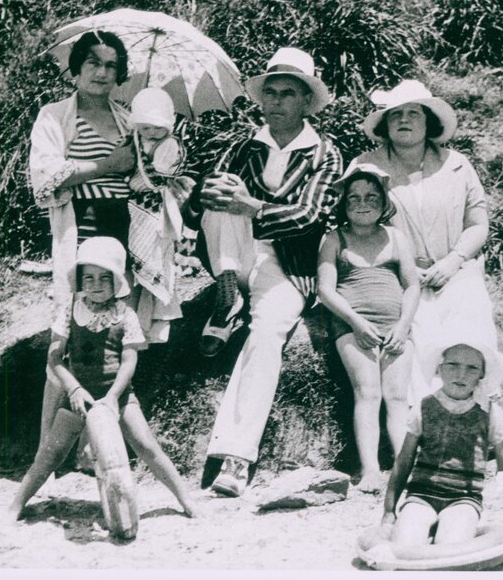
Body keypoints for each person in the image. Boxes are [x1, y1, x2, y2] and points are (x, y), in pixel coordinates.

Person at [183, 47, 343, 497]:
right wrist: (205, 192)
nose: (274, 102)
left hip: (290, 264)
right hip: (234, 252)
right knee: (222, 199)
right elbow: (197, 212)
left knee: (268, 333)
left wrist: (248, 204)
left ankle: (235, 457)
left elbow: (310, 217)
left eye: (286, 94)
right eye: (269, 92)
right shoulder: (242, 145)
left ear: (307, 101)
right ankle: (228, 292)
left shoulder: (325, 153)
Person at [9, 236, 197, 520]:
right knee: (49, 453)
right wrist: (72, 389)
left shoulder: (126, 315)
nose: (95, 285)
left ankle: (186, 499)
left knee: (147, 447)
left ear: (116, 281)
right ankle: (16, 505)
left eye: (103, 278)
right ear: (80, 280)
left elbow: (129, 361)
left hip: (117, 396)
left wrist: (112, 398)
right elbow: (55, 358)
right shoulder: (70, 311)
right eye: (88, 278)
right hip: (79, 398)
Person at [351, 80, 499, 403]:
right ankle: (422, 442)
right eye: (396, 114)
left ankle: (477, 428)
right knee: (416, 357)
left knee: (471, 337)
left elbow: (478, 225)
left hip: (457, 274)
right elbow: (353, 231)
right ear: (385, 124)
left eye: (413, 113)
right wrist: (401, 268)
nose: (404, 120)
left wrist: (453, 260)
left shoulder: (457, 165)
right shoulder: (365, 167)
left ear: (429, 120)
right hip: (397, 281)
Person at [29, 30, 137, 454]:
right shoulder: (55, 115)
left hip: (124, 226)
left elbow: (140, 176)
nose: (102, 73)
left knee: (111, 335)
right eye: (93, 63)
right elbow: (45, 176)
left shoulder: (127, 118)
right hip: (83, 224)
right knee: (68, 335)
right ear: (75, 69)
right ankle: (47, 449)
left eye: (112, 66)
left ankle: (96, 450)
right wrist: (107, 164)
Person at [317, 163, 420, 493]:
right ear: (344, 203)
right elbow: (325, 289)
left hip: (395, 326)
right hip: (353, 324)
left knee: (397, 395)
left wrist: (404, 326)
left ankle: (406, 469)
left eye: (371, 197)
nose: (363, 203)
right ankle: (371, 470)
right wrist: (356, 323)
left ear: (384, 200)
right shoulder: (335, 238)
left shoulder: (396, 237)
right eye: (355, 198)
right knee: (368, 393)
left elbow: (413, 285)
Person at [381, 339, 503, 547]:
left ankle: (447, 529)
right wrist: (389, 511)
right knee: (405, 545)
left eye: (472, 368)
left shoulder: (490, 414)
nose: (461, 374)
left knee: (451, 547)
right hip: (421, 496)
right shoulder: (423, 408)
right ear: (439, 369)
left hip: (463, 499)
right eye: (453, 365)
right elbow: (403, 462)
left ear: (481, 374)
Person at [125, 86, 195, 346]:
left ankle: (156, 323)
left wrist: (152, 152)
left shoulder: (172, 145)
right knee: (138, 265)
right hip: (135, 207)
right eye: (145, 127)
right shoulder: (133, 140)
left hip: (158, 209)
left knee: (158, 261)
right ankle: (139, 325)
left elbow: (163, 169)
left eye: (157, 126)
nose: (151, 132)